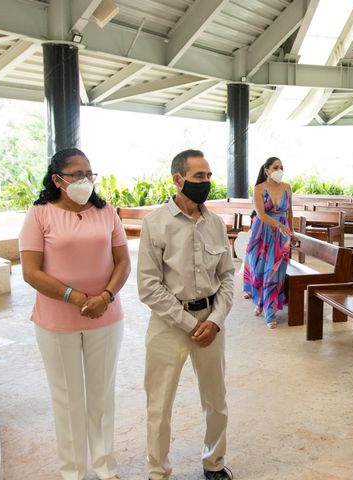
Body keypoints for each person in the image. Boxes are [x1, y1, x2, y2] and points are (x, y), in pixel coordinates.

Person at [18, 148, 130, 480]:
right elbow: (30, 272)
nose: (85, 181)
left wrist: (105, 296)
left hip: (106, 317)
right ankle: (73, 472)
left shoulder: (106, 212)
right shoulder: (39, 214)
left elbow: (123, 261)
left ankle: (105, 466)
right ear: (58, 179)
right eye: (77, 175)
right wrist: (77, 297)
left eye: (89, 174)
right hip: (57, 322)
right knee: (67, 398)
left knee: (102, 394)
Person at [137, 149, 234, 480]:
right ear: (177, 180)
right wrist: (191, 324)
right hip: (169, 323)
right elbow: (149, 287)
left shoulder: (217, 224)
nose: (205, 182)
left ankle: (214, 462)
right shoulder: (155, 224)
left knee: (216, 400)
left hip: (211, 320)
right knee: (159, 405)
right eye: (198, 177)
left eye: (208, 176)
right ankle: (158, 471)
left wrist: (216, 321)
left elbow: (227, 277)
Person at [242, 156, 294, 328]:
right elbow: (262, 214)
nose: (280, 170)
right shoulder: (259, 189)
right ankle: (260, 302)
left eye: (282, 167)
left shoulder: (287, 188)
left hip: (281, 236)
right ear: (267, 171)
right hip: (262, 234)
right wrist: (279, 225)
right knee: (259, 271)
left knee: (275, 272)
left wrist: (290, 231)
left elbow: (289, 212)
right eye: (275, 167)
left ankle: (269, 314)